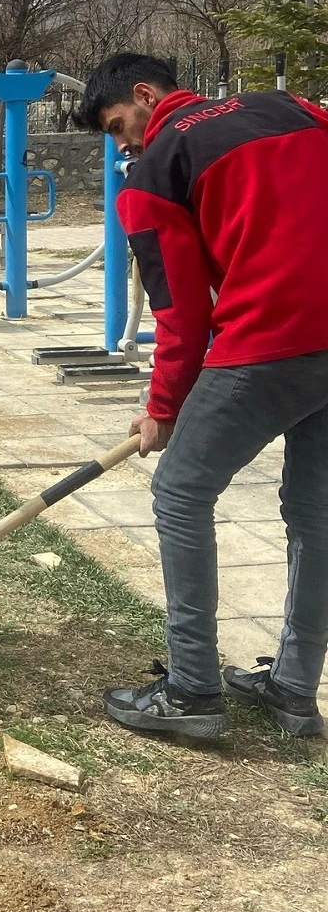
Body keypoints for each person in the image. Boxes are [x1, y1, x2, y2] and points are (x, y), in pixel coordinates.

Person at [75, 53, 328, 740]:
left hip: (270, 337)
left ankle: (191, 690)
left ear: (145, 93)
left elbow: (181, 313)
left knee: (180, 492)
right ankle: (294, 689)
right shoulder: (295, 109)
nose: (123, 144)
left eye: (118, 125)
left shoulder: (156, 169)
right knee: (315, 511)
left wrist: (164, 409)